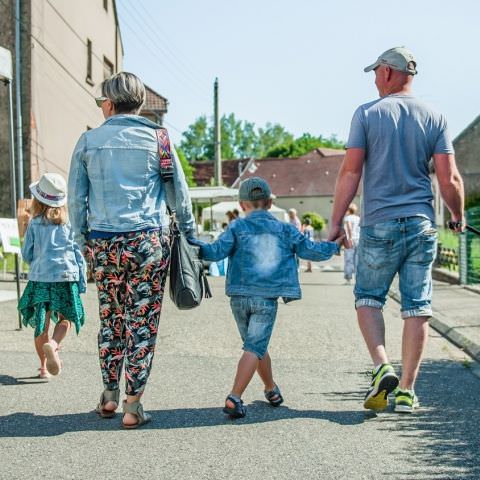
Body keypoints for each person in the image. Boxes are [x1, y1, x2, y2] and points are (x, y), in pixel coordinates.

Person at [328, 47, 464, 413]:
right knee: (417, 306)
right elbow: (449, 177)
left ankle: (381, 365)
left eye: (376, 72)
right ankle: (406, 391)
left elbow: (351, 172)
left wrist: (336, 222)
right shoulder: (435, 116)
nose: (374, 79)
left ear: (388, 72)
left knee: (369, 297)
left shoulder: (367, 114)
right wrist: (458, 214)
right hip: (421, 224)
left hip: (379, 224)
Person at [68, 72, 195, 429]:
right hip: (148, 243)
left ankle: (108, 396)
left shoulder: (89, 140)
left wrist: (82, 244)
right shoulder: (160, 139)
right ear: (138, 104)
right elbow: (178, 195)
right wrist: (189, 234)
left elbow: (77, 199)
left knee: (110, 317)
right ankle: (133, 405)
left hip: (105, 243)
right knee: (142, 322)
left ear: (108, 104)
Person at [189, 177, 343, 418]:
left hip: (238, 297)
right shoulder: (285, 229)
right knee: (254, 347)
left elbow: (215, 252)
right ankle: (234, 396)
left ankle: (270, 388)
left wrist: (191, 243)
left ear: (242, 205)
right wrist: (335, 246)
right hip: (266, 298)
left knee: (256, 346)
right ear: (270, 203)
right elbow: (310, 250)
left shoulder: (236, 227)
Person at [18, 173, 86, 379]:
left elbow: (27, 253)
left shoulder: (35, 223)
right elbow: (78, 254)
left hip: (41, 279)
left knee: (41, 324)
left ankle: (44, 368)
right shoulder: (70, 224)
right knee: (67, 319)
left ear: (38, 200)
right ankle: (54, 345)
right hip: (66, 277)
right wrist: (81, 281)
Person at [343, 203, 360, 284]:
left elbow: (349, 227)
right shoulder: (358, 218)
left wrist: (349, 238)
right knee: (357, 260)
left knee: (348, 259)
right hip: (358, 240)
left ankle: (348, 278)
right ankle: (358, 279)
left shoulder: (347, 218)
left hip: (351, 240)